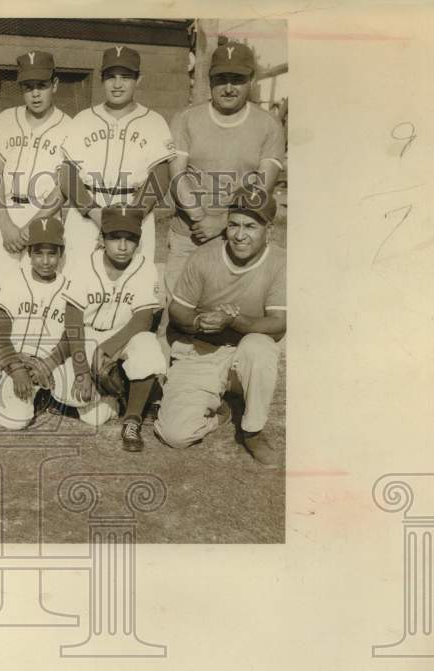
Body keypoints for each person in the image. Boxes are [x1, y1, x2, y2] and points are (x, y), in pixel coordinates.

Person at [155, 190, 286, 467]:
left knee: (260, 347)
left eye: (250, 226)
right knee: (175, 435)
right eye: (234, 224)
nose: (239, 235)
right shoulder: (205, 256)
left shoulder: (280, 261)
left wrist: (234, 321)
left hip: (243, 356)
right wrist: (198, 321)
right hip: (201, 352)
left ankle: (252, 432)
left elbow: (278, 323)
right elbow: (177, 310)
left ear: (269, 230)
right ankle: (221, 410)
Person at [164, 42, 285, 302]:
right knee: (176, 316)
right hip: (189, 234)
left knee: (227, 320)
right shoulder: (186, 119)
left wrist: (221, 223)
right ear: (210, 81)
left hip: (239, 239)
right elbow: (176, 176)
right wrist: (199, 218)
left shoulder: (268, 124)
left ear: (251, 80)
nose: (229, 88)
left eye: (237, 80)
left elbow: (262, 188)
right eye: (221, 79)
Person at [57, 206, 167, 451]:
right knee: (90, 413)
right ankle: (119, 389)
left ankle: (132, 419)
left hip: (125, 335)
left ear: (139, 241)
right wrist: (82, 371)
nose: (122, 246)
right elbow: (73, 320)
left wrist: (105, 350)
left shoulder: (145, 266)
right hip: (86, 335)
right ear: (101, 238)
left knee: (148, 347)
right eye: (115, 237)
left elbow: (142, 320)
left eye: (130, 239)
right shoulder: (84, 265)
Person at [58, 46, 174, 266]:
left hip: (134, 207)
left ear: (138, 79)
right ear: (102, 79)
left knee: (132, 284)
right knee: (79, 279)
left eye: (126, 77)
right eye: (111, 77)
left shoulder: (154, 121)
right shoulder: (83, 119)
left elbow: (160, 176)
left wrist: (131, 216)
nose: (117, 84)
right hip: (87, 212)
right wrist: (93, 212)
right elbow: (67, 174)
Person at [0, 51, 69, 284]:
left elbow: (64, 185)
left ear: (55, 84)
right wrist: (5, 224)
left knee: (41, 289)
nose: (34, 94)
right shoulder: (6, 118)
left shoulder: (70, 126)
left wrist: (33, 225)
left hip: (45, 214)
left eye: (41, 85)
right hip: (6, 212)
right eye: (27, 87)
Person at [0, 217, 71, 431]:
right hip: (17, 360)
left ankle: (46, 396)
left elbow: (71, 334)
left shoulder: (70, 286)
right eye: (38, 253)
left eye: (52, 253)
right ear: (29, 254)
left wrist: (49, 364)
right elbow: (0, 333)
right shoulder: (14, 280)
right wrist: (16, 369)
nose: (45, 261)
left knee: (92, 411)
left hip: (52, 363)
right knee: (15, 420)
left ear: (61, 254)